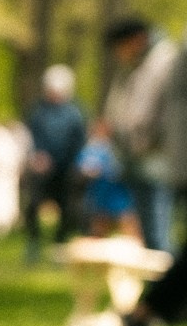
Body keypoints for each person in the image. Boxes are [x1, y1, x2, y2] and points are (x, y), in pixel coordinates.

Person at [103, 16, 179, 253]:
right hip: (140, 157)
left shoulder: (165, 60)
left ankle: (167, 273)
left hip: (158, 158)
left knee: (157, 234)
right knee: (148, 233)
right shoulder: (140, 64)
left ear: (137, 39)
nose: (119, 55)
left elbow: (161, 113)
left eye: (120, 47)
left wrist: (142, 136)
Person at [21, 65, 85, 262]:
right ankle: (33, 244)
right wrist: (37, 156)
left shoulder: (75, 113)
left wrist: (76, 163)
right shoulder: (38, 112)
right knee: (33, 205)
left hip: (66, 169)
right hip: (41, 168)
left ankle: (60, 245)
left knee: (67, 208)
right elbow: (30, 137)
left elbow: (79, 141)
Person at [77, 119, 142, 240]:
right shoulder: (89, 150)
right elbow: (80, 168)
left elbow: (124, 169)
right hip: (99, 194)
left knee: (129, 228)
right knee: (98, 231)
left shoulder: (117, 149)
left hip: (119, 194)